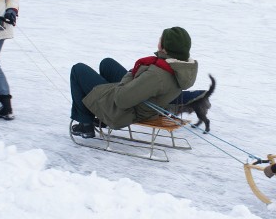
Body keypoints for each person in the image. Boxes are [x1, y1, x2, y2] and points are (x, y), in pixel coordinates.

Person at [69, 27, 198, 138]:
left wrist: (131, 74)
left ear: (165, 48)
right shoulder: (181, 68)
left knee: (78, 70)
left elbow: (121, 99)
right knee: (107, 63)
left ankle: (85, 124)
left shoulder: (157, 75)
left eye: (160, 40)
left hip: (126, 111)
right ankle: (99, 119)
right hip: (144, 101)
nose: (158, 42)